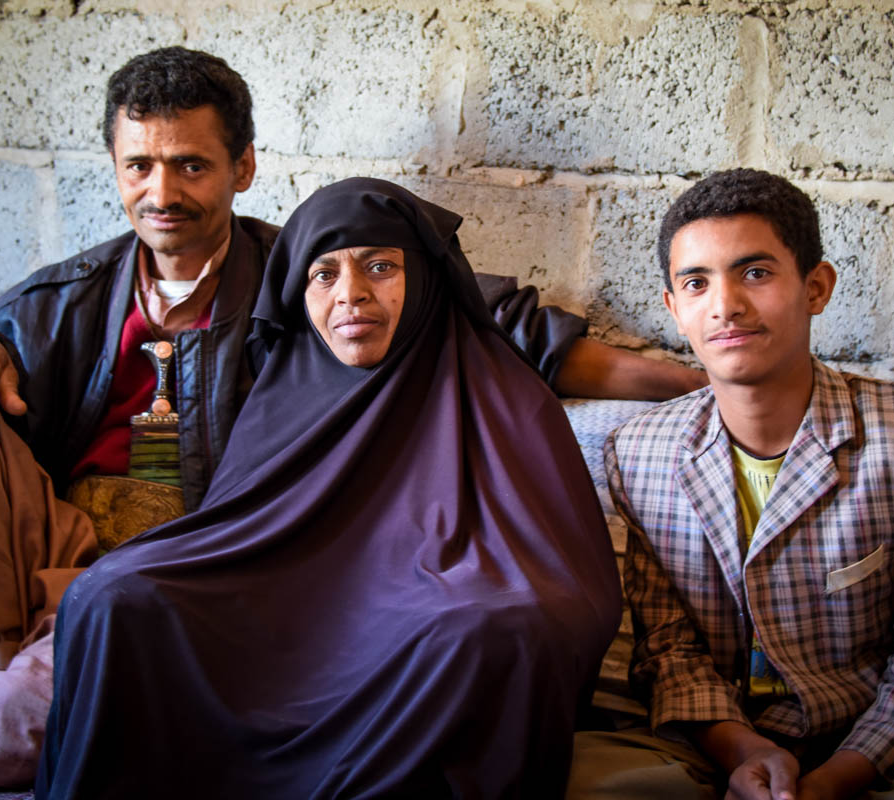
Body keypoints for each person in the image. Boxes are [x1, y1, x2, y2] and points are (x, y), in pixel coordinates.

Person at [0, 47, 703, 785]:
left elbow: (481, 314)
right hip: (58, 551)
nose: (161, 191)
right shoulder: (65, 299)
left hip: (203, 564)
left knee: (11, 739)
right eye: (139, 166)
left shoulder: (301, 274)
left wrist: (711, 377)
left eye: (190, 165)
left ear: (242, 168)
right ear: (114, 167)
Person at [36, 177, 623, 798]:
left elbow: (571, 590)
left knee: (488, 633)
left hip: (422, 620)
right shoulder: (285, 390)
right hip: (285, 606)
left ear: (426, 278)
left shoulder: (503, 396)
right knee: (109, 596)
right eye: (324, 274)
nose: (351, 294)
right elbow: (237, 533)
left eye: (380, 267)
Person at [568, 168, 894, 799]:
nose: (725, 304)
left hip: (881, 752)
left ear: (815, 287)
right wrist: (746, 753)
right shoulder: (640, 453)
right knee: (566, 775)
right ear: (674, 309)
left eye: (755, 273)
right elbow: (667, 651)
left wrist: (832, 781)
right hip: (715, 747)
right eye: (696, 283)